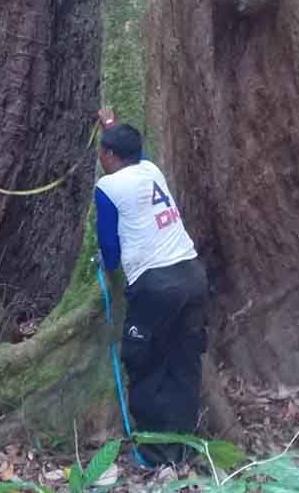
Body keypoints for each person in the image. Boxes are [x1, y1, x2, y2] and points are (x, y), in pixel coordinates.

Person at [94, 107, 209, 466]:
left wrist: (104, 264)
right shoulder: (150, 168)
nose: (100, 157)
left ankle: (154, 455)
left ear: (110, 156)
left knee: (145, 364)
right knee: (184, 363)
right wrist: (111, 126)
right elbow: (134, 154)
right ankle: (184, 446)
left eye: (102, 150)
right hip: (192, 275)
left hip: (156, 286)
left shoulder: (107, 187)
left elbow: (110, 250)